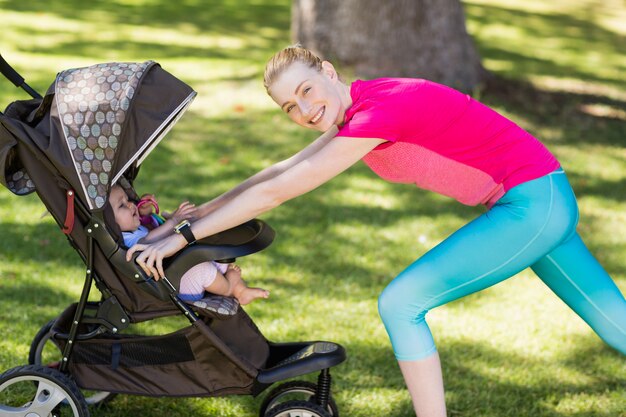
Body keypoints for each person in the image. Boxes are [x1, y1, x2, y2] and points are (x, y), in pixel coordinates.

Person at [127, 46, 626, 417]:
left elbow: (279, 193)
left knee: (400, 303)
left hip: (533, 204)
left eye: (305, 90)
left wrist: (182, 241)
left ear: (328, 70)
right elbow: (272, 175)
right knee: (614, 323)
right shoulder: (359, 110)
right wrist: (184, 222)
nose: (303, 111)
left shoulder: (378, 112)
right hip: (543, 197)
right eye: (289, 108)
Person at [110, 185, 269, 305]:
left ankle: (241, 291)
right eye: (122, 205)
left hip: (183, 264)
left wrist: (144, 211)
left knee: (211, 252)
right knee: (202, 269)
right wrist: (173, 221)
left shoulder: (134, 228)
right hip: (178, 282)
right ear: (111, 222)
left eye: (127, 200)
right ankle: (228, 287)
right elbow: (148, 241)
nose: (131, 204)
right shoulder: (125, 241)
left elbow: (150, 225)